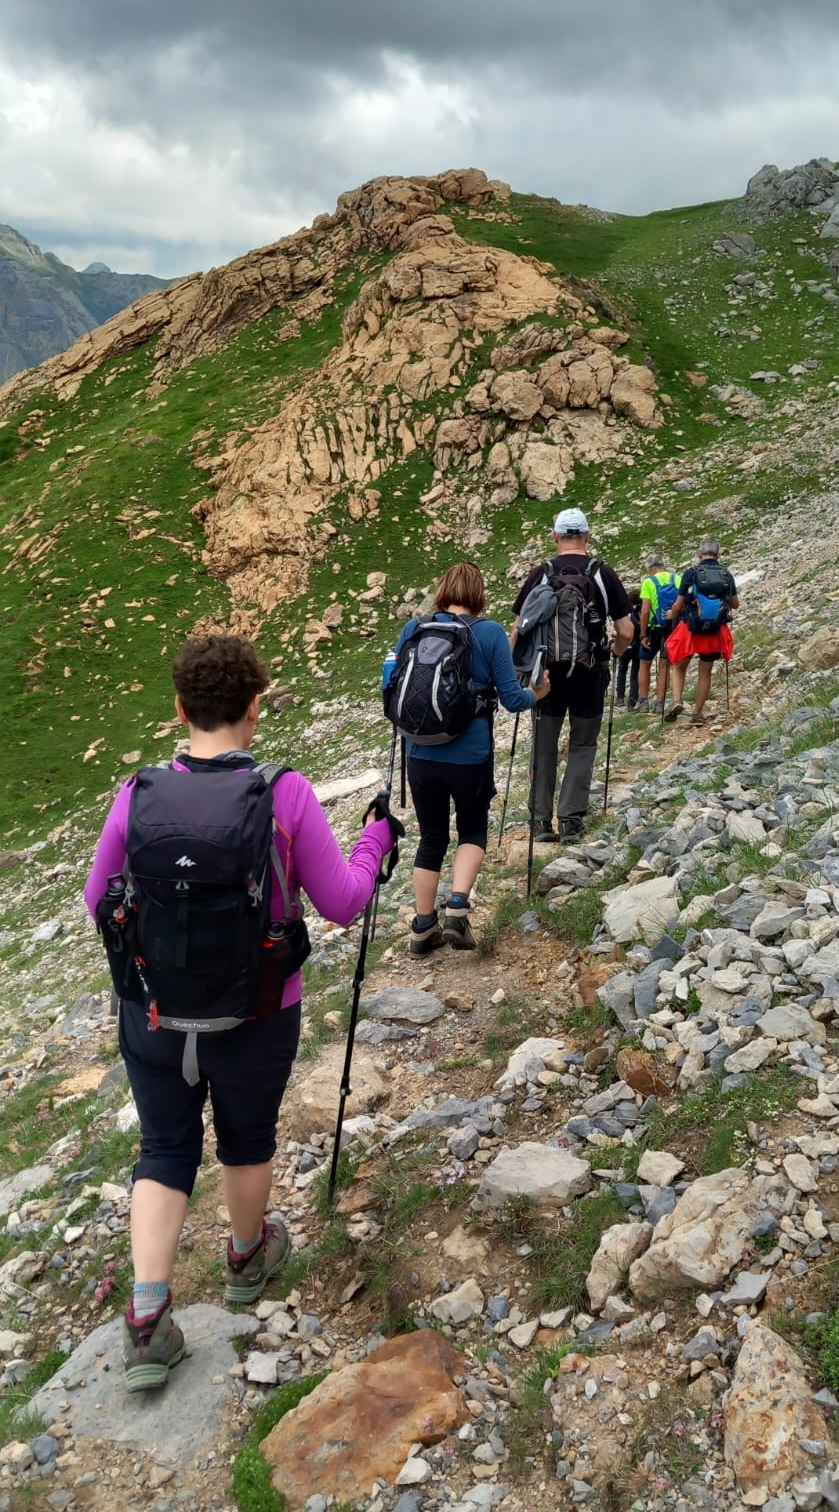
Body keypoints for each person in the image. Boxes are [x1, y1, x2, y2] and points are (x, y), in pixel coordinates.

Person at [84, 634, 397, 1393]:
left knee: (164, 1147)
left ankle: (148, 1318)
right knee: (247, 1139)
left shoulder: (137, 793)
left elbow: (98, 899)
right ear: (255, 706)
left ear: (180, 709)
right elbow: (343, 901)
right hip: (257, 1013)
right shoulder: (283, 793)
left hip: (154, 1016)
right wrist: (375, 839)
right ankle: (247, 1257)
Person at [394, 561, 550, 955]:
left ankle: (422, 927)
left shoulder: (413, 630)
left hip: (419, 752)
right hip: (470, 756)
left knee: (431, 836)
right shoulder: (490, 632)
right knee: (472, 830)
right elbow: (513, 699)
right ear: (479, 594)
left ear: (443, 590)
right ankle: (457, 909)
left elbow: (392, 687)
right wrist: (538, 693)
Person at [510, 507, 633, 844]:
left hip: (546, 675)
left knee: (544, 745)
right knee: (583, 743)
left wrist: (517, 672)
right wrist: (616, 651)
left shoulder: (542, 573)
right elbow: (626, 629)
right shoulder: (601, 573)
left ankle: (539, 821)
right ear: (587, 536)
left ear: (555, 537)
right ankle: (571, 820)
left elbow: (519, 627)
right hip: (590, 672)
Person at [664, 538, 739, 725]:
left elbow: (678, 604)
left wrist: (671, 615)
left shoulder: (691, 573)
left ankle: (677, 700)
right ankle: (697, 714)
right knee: (705, 672)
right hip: (714, 630)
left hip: (690, 628)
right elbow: (735, 604)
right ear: (718, 555)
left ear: (699, 554)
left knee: (678, 667)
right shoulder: (726, 574)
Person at [635, 556, 681, 714]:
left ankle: (643, 702)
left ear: (650, 568)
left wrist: (643, 634)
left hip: (653, 628)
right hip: (671, 628)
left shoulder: (648, 582)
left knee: (644, 664)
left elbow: (645, 610)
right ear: (664, 565)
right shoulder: (677, 579)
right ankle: (660, 703)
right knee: (665, 665)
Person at [615, 587, 641, 711]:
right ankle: (632, 702)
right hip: (638, 645)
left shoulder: (625, 611)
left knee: (622, 670)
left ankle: (620, 698)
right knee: (635, 674)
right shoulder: (640, 611)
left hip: (626, 645)